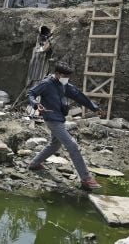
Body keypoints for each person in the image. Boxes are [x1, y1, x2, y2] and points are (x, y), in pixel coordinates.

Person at [27, 61, 104, 190]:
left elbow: (78, 95)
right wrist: (35, 104)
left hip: (59, 118)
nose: (66, 79)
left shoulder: (63, 84)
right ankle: (86, 179)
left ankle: (34, 163)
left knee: (55, 144)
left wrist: (94, 108)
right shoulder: (46, 84)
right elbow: (31, 93)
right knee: (73, 146)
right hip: (51, 119)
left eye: (68, 77)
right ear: (57, 73)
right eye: (64, 76)